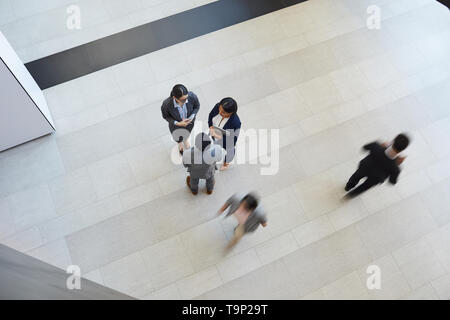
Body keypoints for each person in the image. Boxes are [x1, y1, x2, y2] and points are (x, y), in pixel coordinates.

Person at [344, 133, 410, 198]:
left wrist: (381, 145)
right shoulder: (396, 168)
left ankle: (348, 187)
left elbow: (365, 147)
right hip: (375, 178)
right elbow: (392, 182)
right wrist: (397, 163)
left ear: (394, 140)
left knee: (356, 176)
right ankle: (350, 195)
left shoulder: (376, 146)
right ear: (403, 149)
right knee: (363, 187)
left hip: (364, 167)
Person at [161, 84, 200, 155]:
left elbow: (197, 106)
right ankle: (179, 143)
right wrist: (177, 123)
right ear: (175, 97)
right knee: (177, 136)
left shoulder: (192, 96)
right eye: (183, 99)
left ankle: (185, 140)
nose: (186, 101)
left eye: (186, 98)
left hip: (189, 123)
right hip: (175, 126)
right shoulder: (166, 104)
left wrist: (192, 116)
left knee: (187, 132)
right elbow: (166, 116)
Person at [208, 97, 241, 171]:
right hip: (214, 134)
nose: (219, 112)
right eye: (219, 109)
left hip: (226, 141)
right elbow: (210, 115)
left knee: (230, 151)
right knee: (214, 146)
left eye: (223, 112)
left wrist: (217, 136)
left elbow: (233, 141)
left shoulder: (235, 123)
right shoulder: (218, 106)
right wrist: (210, 127)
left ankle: (226, 163)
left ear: (231, 113)